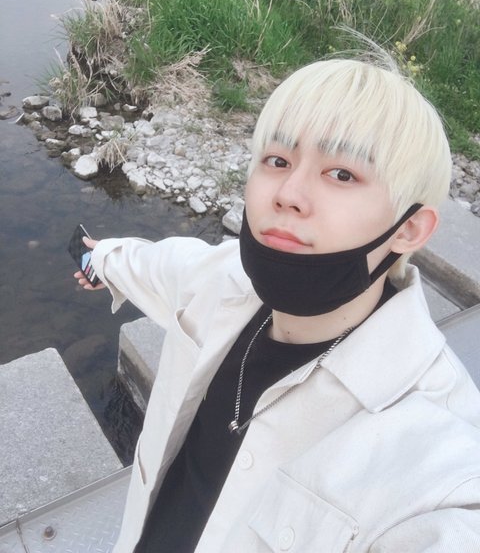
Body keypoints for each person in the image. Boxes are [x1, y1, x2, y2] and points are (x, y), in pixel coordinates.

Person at [75, 52, 480, 552]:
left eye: (342, 174)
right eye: (278, 161)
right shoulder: (224, 279)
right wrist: (101, 261)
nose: (288, 193)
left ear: (410, 228)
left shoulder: (436, 442)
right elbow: (153, 265)